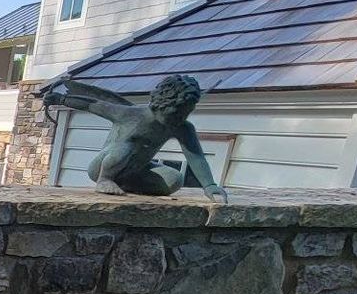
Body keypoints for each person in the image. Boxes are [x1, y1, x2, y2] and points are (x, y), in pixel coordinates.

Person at [42, 75, 228, 203]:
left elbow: (196, 156)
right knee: (127, 146)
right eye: (175, 112)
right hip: (103, 167)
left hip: (137, 171)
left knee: (175, 179)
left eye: (184, 114)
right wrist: (61, 99)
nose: (179, 118)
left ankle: (125, 185)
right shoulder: (130, 115)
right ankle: (105, 181)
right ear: (163, 103)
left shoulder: (182, 127)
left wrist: (209, 185)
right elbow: (93, 104)